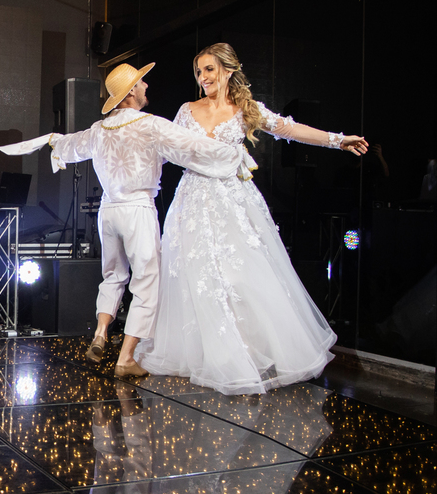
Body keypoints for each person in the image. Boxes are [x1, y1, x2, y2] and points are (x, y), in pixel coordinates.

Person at [134, 43, 368, 393]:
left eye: (209, 69)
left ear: (228, 70)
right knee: (195, 275)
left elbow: (289, 129)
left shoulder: (246, 109)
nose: (203, 77)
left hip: (233, 201)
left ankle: (244, 352)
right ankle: (206, 354)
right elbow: (164, 149)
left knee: (239, 275)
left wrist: (338, 141)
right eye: (199, 71)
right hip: (193, 201)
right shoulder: (186, 111)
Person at [39, 62, 250, 377]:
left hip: (108, 210)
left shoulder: (99, 129)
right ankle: (126, 358)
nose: (146, 86)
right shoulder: (151, 125)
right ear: (130, 93)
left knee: (113, 276)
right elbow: (194, 146)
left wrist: (52, 142)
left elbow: (68, 148)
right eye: (141, 83)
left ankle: (100, 332)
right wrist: (234, 154)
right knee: (146, 282)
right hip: (137, 209)